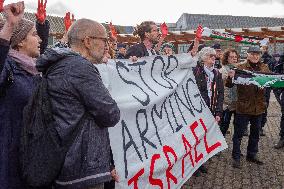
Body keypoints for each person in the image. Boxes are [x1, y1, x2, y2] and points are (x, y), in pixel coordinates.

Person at [36, 18, 120, 189]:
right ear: (88, 41)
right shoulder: (80, 68)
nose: (107, 45)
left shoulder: (59, 64)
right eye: (104, 40)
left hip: (65, 163)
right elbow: (111, 114)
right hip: (82, 169)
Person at [0, 2, 50, 188]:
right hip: (9, 164)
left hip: (33, 161)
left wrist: (42, 26)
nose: (40, 41)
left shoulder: (33, 70)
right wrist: (10, 26)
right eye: (35, 35)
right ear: (20, 41)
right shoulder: (8, 69)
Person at [227, 46, 270, 168]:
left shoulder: (264, 67)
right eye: (253, 54)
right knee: (238, 134)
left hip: (259, 107)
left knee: (255, 133)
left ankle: (251, 154)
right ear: (248, 54)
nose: (255, 56)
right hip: (243, 107)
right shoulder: (240, 67)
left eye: (258, 54)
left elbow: (272, 81)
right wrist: (230, 77)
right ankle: (236, 157)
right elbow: (229, 85)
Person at [193, 47, 224, 175]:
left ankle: (201, 162)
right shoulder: (195, 71)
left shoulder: (217, 73)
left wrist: (218, 112)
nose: (213, 57)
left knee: (206, 137)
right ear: (203, 58)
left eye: (214, 55)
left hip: (212, 110)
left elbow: (220, 94)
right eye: (210, 56)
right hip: (198, 111)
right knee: (196, 138)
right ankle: (194, 165)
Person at [219, 49, 239, 136]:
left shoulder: (239, 68)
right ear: (227, 58)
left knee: (238, 125)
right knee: (224, 125)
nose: (234, 59)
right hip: (226, 103)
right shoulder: (222, 70)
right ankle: (219, 145)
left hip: (237, 102)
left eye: (235, 57)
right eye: (231, 57)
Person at [259, 45, 277, 136]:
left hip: (266, 88)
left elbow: (274, 73)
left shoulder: (271, 59)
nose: (262, 49)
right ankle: (247, 126)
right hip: (256, 87)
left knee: (264, 107)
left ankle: (260, 127)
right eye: (261, 47)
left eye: (264, 47)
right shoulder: (254, 57)